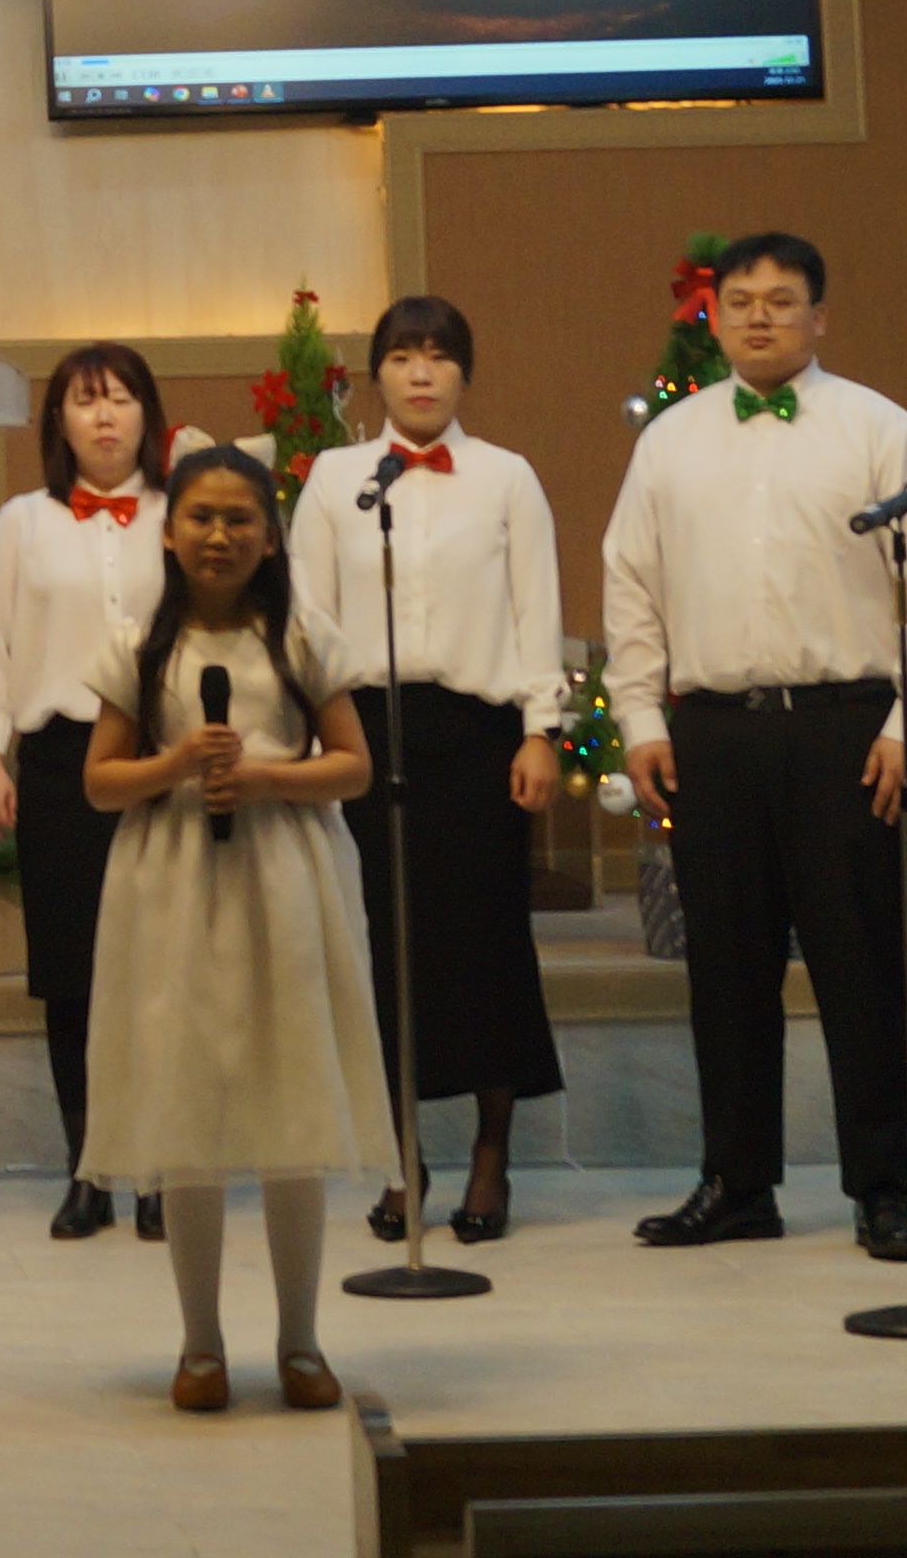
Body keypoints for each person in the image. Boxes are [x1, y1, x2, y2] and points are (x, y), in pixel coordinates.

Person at [598, 229, 907, 1260]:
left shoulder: (882, 429)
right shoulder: (671, 440)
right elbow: (630, 580)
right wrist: (640, 718)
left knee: (862, 967)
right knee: (724, 969)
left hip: (847, 730)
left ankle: (883, 1188)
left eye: (782, 300)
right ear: (713, 318)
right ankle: (737, 1181)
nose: (759, 317)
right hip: (712, 732)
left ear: (820, 316)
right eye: (741, 301)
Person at [81, 440, 391, 1414]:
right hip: (173, 884)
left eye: (239, 519)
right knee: (189, 1110)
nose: (219, 536)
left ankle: (300, 1340)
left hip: (285, 880)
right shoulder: (139, 646)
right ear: (168, 534)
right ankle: (201, 1344)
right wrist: (177, 764)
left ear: (271, 535)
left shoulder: (302, 635)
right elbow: (100, 782)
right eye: (200, 518)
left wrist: (262, 778)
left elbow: (354, 766)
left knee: (293, 1098)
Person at [286, 293, 566, 1246]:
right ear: (377, 375)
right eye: (403, 355)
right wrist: (312, 744)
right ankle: (401, 1158)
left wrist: (541, 730)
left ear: (464, 375)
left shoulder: (507, 478)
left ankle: (492, 1153)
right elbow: (308, 620)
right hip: (367, 734)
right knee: (382, 948)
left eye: (439, 356)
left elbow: (536, 608)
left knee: (486, 946)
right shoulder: (336, 480)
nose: (420, 372)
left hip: (480, 736)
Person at [0, 340, 174, 1243]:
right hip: (59, 765)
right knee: (73, 977)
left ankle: (160, 1172)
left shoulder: (182, 513)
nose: (105, 416)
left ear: (147, 414)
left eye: (121, 398)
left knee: (160, 977)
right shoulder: (21, 523)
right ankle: (89, 1172)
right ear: (59, 422)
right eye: (86, 401)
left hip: (162, 766)